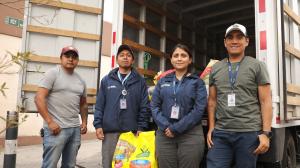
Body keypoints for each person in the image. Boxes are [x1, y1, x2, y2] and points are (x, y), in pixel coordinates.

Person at [206, 23, 273, 168]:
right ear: (225, 42)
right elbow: (212, 101)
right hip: (221, 133)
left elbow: (266, 100)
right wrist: (211, 128)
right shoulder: (216, 68)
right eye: (230, 38)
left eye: (239, 37)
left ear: (247, 41)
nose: (234, 41)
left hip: (248, 133)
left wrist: (266, 133)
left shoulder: (257, 66)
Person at [151, 44, 207, 168]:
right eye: (176, 56)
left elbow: (198, 110)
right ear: (171, 59)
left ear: (190, 60)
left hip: (190, 135)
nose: (179, 58)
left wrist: (176, 128)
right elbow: (154, 107)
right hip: (165, 134)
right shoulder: (162, 81)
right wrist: (167, 126)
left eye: (183, 55)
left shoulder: (197, 82)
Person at [93, 44, 149, 168]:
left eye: (128, 55)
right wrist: (98, 125)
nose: (125, 58)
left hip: (132, 133)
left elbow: (144, 106)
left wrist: (141, 126)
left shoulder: (140, 81)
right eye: (122, 55)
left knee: (128, 164)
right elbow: (99, 105)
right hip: (110, 133)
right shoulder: (107, 80)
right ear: (117, 59)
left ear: (132, 60)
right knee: (108, 164)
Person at [35, 46, 88, 168]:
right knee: (50, 164)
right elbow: (39, 98)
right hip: (56, 129)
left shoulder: (81, 80)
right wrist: (50, 122)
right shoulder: (52, 74)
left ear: (77, 61)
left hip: (75, 129)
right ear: (61, 58)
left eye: (74, 57)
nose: (70, 59)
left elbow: (83, 104)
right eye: (67, 56)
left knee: (70, 165)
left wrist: (84, 122)